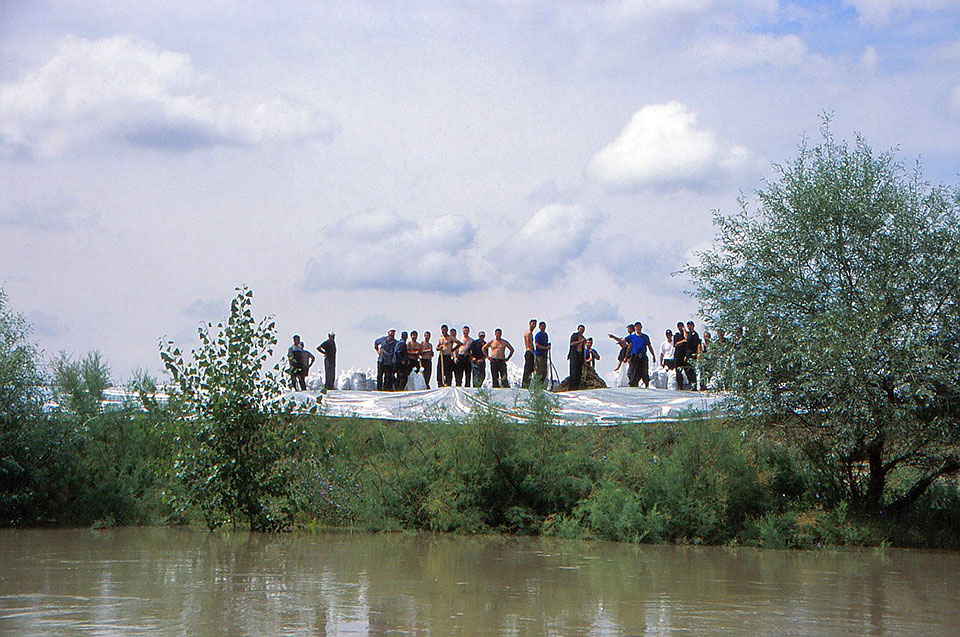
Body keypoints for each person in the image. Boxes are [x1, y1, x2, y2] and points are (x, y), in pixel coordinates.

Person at [626, 321, 655, 389]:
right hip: (634, 357)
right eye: (636, 327)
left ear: (641, 327)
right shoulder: (632, 337)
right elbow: (627, 345)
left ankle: (646, 385)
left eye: (639, 327)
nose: (638, 328)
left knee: (644, 372)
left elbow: (649, 346)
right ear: (635, 328)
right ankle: (633, 386)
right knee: (634, 373)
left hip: (642, 357)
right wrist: (626, 356)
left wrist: (653, 355)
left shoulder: (645, 337)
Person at [568, 324, 587, 390]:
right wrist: (580, 341)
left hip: (580, 355)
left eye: (583, 330)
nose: (581, 331)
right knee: (573, 372)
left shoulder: (583, 337)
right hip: (574, 355)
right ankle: (572, 387)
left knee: (579, 372)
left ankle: (577, 387)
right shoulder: (574, 335)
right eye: (580, 329)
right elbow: (572, 344)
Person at [685, 321, 703, 390]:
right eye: (688, 326)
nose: (689, 327)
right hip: (688, 354)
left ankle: (694, 384)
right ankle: (691, 382)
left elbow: (698, 344)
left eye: (690, 325)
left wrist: (698, 354)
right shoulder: (688, 334)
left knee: (692, 369)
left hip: (693, 354)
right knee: (688, 369)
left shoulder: (695, 335)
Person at [533, 321, 550, 387]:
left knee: (544, 371)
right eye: (541, 326)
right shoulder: (538, 335)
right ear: (539, 327)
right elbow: (537, 345)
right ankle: (536, 386)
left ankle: (542, 386)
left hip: (544, 355)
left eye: (544, 326)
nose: (543, 327)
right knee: (538, 371)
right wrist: (545, 348)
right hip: (539, 355)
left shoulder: (545, 335)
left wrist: (548, 346)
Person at [521, 319, 537, 388]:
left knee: (530, 369)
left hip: (530, 352)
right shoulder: (528, 333)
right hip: (529, 352)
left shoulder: (530, 333)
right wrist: (533, 353)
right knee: (528, 369)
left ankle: (527, 384)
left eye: (535, 324)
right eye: (532, 324)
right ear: (529, 324)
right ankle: (525, 384)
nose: (534, 325)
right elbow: (529, 343)